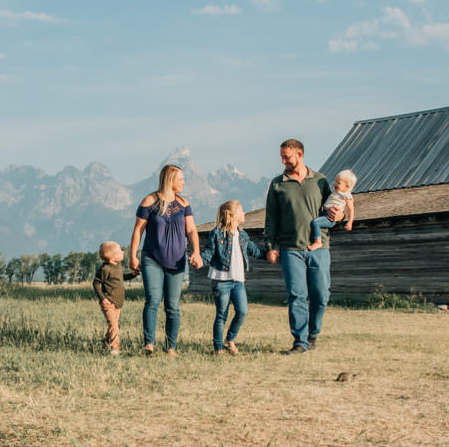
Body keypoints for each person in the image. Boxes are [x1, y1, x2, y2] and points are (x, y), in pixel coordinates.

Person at [264, 139, 343, 355]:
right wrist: (271, 245)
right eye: (282, 157)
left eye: (287, 157)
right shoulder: (277, 184)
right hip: (290, 248)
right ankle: (300, 342)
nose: (283, 161)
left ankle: (313, 333)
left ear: (300, 154)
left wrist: (340, 215)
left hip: (319, 248)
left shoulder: (320, 181)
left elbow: (334, 210)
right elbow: (271, 218)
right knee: (296, 295)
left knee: (321, 295)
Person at [129, 164, 202, 356]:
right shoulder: (149, 201)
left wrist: (196, 252)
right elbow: (138, 230)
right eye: (180, 179)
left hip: (176, 260)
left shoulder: (184, 204)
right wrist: (132, 255)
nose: (184, 182)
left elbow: (192, 230)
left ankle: (171, 347)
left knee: (172, 306)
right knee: (153, 300)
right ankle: (149, 344)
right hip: (152, 258)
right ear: (170, 180)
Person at [199, 200, 266, 356]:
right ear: (233, 215)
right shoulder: (216, 233)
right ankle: (218, 348)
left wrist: (270, 255)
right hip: (221, 279)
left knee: (242, 311)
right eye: (241, 211)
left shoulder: (242, 235)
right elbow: (209, 252)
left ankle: (230, 339)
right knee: (222, 314)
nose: (244, 214)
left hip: (238, 280)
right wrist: (200, 260)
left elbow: (255, 250)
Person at [92, 241, 138, 355]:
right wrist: (102, 298)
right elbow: (96, 283)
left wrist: (132, 275)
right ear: (112, 258)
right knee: (114, 326)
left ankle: (104, 343)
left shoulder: (117, 266)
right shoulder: (105, 269)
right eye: (119, 252)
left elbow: (120, 278)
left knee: (115, 326)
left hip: (118, 303)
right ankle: (115, 349)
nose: (122, 252)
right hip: (109, 303)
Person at [308, 169, 356, 251]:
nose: (335, 184)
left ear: (347, 186)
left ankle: (318, 242)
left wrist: (350, 222)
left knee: (315, 222)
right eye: (336, 181)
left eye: (339, 183)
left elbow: (350, 210)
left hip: (330, 217)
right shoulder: (336, 191)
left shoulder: (347, 196)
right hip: (324, 213)